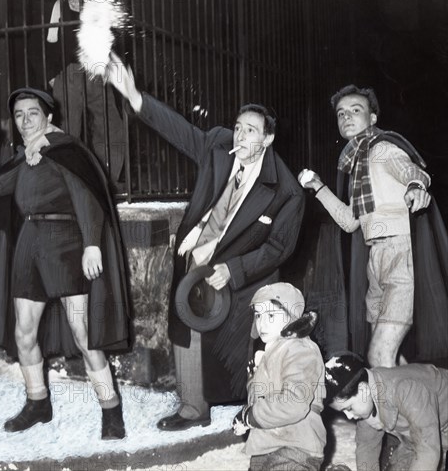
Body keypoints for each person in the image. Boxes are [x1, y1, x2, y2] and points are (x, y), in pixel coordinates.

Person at [106, 54, 305, 430]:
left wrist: (233, 270)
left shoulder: (287, 191)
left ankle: (256, 413)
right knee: (186, 325)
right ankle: (192, 409)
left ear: (268, 138)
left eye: (251, 130)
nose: (242, 136)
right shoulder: (217, 146)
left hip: (246, 274)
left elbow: (280, 247)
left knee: (242, 348)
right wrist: (135, 97)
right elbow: (178, 129)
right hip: (197, 256)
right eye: (239, 127)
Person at [0, 88, 130, 439]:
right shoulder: (22, 157)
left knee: (84, 334)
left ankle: (110, 409)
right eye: (18, 115)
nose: (25, 120)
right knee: (23, 332)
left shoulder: (66, 150)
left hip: (66, 246)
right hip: (28, 247)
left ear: (48, 116)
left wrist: (92, 245)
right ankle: (37, 402)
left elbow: (87, 198)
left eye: (32, 113)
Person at [299, 84, 448, 367]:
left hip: (399, 254)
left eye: (356, 110)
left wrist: (416, 187)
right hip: (376, 260)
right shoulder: (357, 165)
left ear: (373, 118)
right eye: (341, 113)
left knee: (379, 355)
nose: (346, 117)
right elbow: (349, 222)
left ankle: (386, 411)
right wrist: (319, 188)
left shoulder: (381, 149)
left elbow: (413, 171)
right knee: (397, 356)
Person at [232, 283, 326, 471]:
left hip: (296, 443)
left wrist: (250, 417)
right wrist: (254, 374)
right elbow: (259, 400)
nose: (262, 323)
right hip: (265, 443)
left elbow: (294, 403)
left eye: (271, 315)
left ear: (291, 318)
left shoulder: (301, 349)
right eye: (258, 315)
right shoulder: (268, 353)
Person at [47, 0, 126, 183]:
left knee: (110, 126)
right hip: (68, 73)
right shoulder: (59, 6)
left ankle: (107, 181)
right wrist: (52, 76)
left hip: (95, 71)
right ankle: (66, 181)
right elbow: (50, 44)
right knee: (66, 130)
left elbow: (110, 41)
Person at [325, 352, 448, 471]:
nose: (349, 416)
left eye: (349, 408)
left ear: (363, 390)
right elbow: (367, 448)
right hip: (421, 439)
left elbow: (428, 451)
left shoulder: (406, 389)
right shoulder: (367, 397)